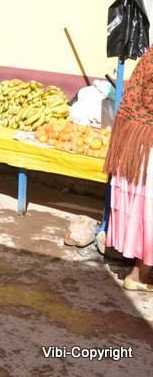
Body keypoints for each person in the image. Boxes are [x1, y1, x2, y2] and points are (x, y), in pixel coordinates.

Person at [104, 46, 153, 291]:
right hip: (146, 142)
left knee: (144, 210)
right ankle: (139, 275)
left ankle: (139, 272)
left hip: (137, 139)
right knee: (148, 212)